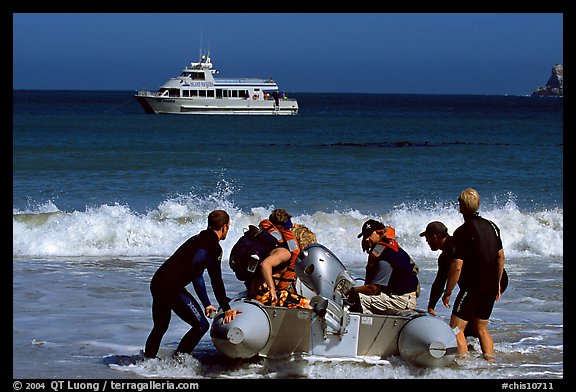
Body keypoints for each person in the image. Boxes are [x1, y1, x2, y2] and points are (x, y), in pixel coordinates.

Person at [143, 210, 241, 359]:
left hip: (157, 282)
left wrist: (207, 304)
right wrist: (226, 308)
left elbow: (197, 275)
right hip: (171, 288)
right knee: (201, 326)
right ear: (225, 227)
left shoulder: (196, 239)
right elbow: (216, 280)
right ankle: (178, 362)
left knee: (160, 326)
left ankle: (147, 360)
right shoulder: (214, 248)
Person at [442, 188, 506, 362]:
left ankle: (465, 364)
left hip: (473, 287)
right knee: (481, 328)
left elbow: (457, 266)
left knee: (456, 328)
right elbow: (500, 256)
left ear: (461, 207)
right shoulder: (493, 226)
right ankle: (490, 362)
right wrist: (498, 282)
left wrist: (448, 292)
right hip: (491, 284)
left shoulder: (462, 231)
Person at [345, 219, 420, 314]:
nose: (366, 239)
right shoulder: (382, 249)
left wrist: (352, 290)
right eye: (364, 236)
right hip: (396, 295)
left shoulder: (386, 255)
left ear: (379, 233)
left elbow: (373, 289)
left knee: (357, 298)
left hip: (401, 300)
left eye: (369, 235)